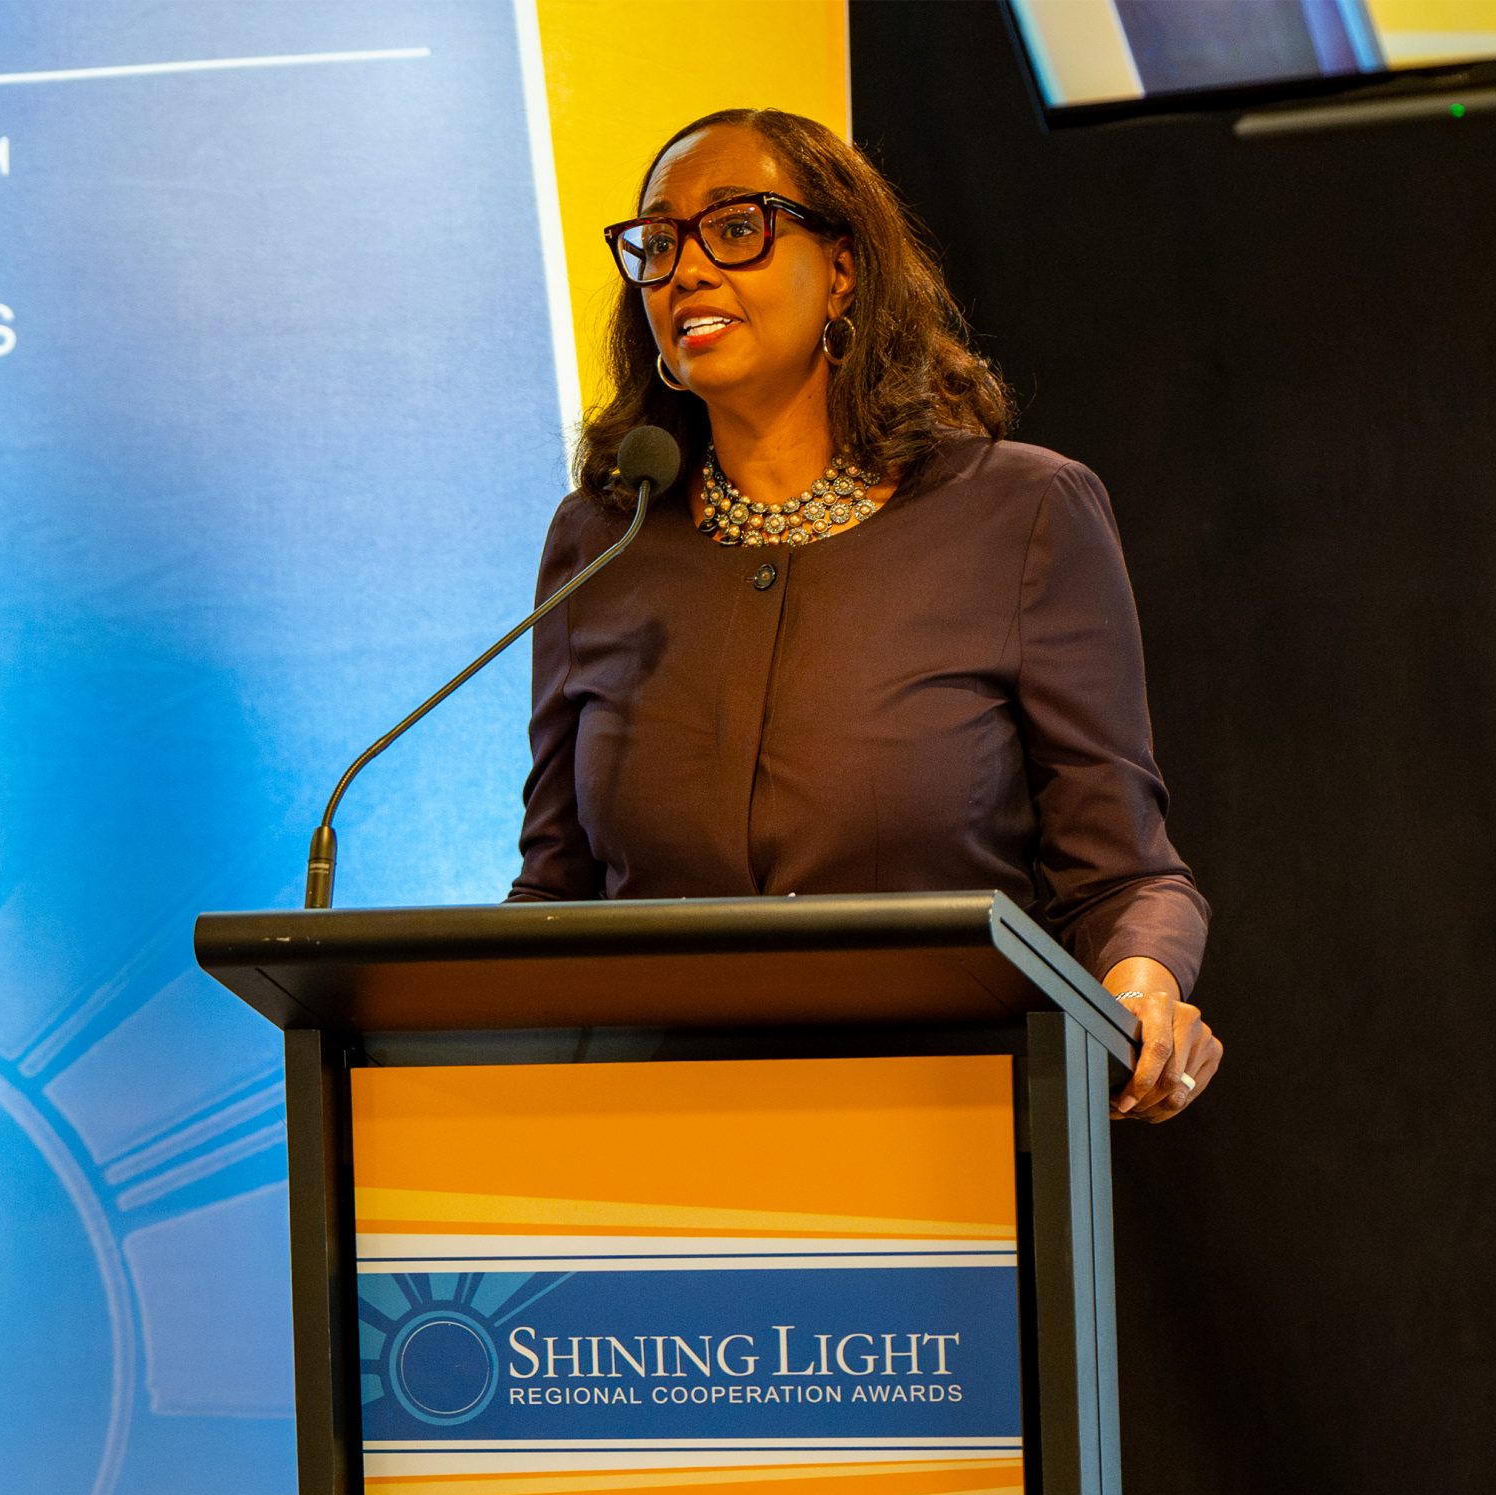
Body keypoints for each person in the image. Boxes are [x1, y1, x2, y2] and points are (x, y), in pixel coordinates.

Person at [511, 107, 1220, 1121]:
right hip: (657, 1155)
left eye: (736, 228)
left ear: (842, 269)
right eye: (658, 245)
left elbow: (1124, 877)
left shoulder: (1018, 512)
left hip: (949, 1139)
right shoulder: (603, 540)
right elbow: (554, 891)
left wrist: (1144, 979)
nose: (686, 271)